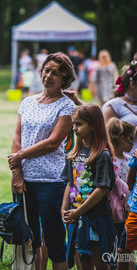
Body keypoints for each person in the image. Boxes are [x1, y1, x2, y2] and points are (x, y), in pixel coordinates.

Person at [8, 52, 76, 270]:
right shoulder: (27, 102)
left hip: (51, 181)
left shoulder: (66, 106)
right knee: (30, 239)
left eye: (55, 73)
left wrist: (19, 156)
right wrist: (17, 174)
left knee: (54, 241)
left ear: (65, 79)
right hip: (25, 181)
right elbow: (17, 137)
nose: (48, 76)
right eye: (46, 70)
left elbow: (53, 142)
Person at [61, 104, 116, 269]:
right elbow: (70, 182)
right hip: (77, 218)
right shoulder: (74, 154)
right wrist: (64, 209)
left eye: (79, 124)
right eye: (73, 124)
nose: (74, 128)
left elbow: (101, 190)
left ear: (93, 125)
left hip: (96, 218)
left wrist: (78, 211)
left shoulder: (102, 155)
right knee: (83, 260)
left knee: (99, 261)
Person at [106, 118, 134, 270]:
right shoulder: (108, 161)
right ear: (123, 139)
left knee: (127, 247)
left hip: (128, 211)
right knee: (112, 248)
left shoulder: (131, 161)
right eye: (132, 139)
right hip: (112, 211)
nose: (133, 143)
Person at [103, 60, 137, 155]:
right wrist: (134, 132)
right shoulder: (114, 106)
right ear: (133, 84)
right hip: (124, 165)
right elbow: (106, 137)